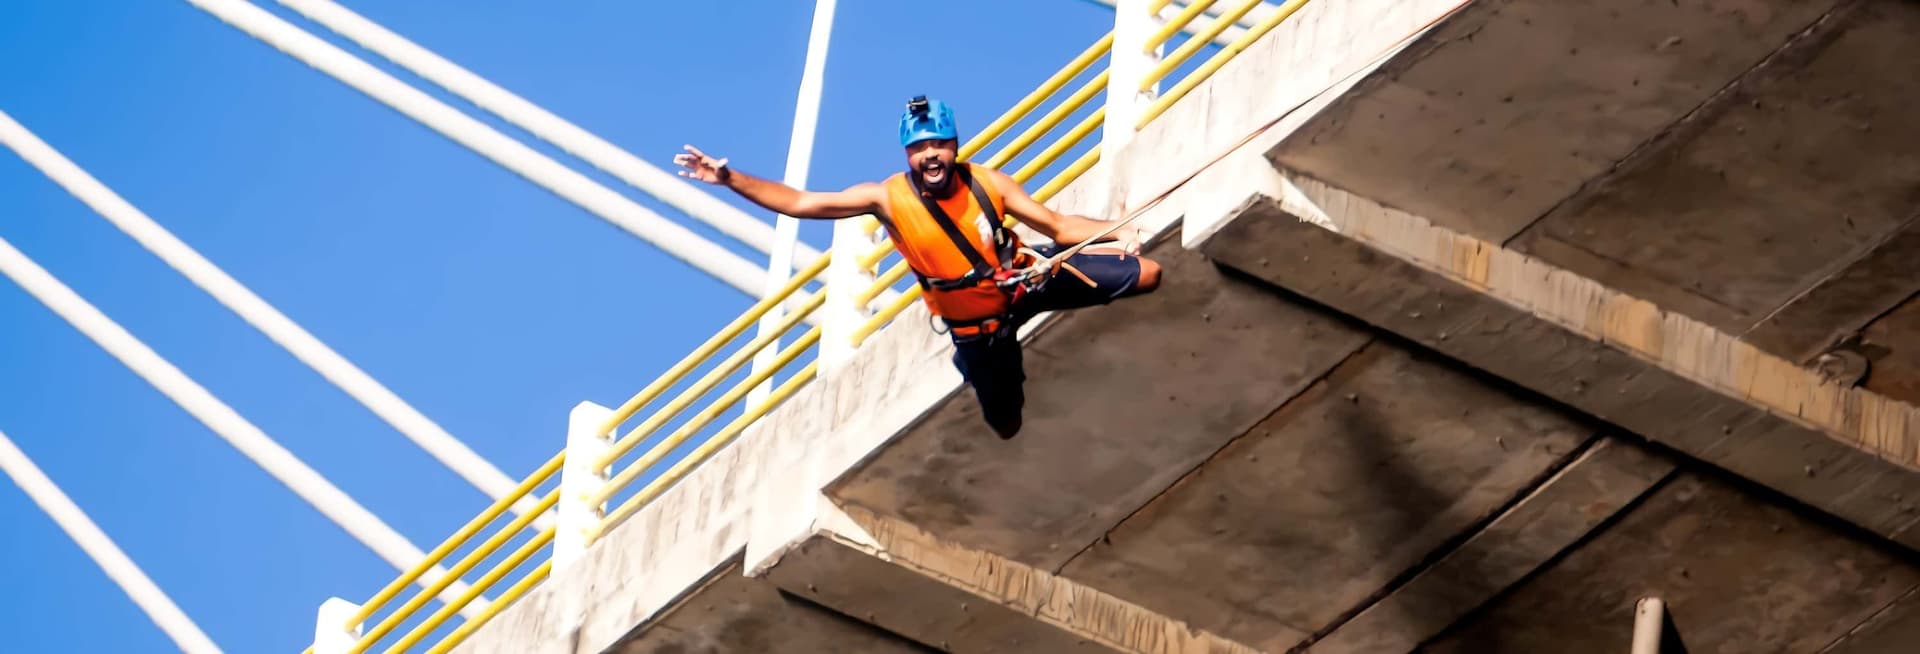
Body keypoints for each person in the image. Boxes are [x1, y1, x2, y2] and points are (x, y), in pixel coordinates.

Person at [673, 96, 1161, 439]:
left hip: (1024, 282)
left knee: (1148, 274)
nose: (929, 154)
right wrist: (730, 178)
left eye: (939, 144)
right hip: (977, 328)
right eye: (918, 147)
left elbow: (1056, 225)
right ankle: (972, 365)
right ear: (908, 154)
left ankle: (1094, 269)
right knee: (1007, 425)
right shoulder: (888, 199)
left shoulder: (989, 185)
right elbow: (802, 202)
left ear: (954, 147)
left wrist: (1116, 228)